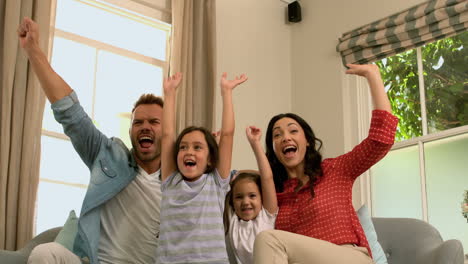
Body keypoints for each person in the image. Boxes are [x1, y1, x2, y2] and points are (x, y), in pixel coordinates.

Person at [18, 17, 164, 264]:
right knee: (45, 252)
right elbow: (70, 113)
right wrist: (34, 51)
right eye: (138, 122)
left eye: (154, 122)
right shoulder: (108, 156)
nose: (145, 127)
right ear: (130, 131)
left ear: (168, 132)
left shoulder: (180, 181)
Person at [253, 64, 399, 264]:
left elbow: (380, 140)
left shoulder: (336, 170)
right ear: (274, 150)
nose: (285, 137)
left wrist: (372, 76)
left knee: (267, 240)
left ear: (308, 141)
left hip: (350, 257)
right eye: (277, 135)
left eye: (293, 131)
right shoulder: (276, 195)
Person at [158, 72, 247, 263]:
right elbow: (167, 135)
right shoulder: (170, 181)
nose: (189, 151)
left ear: (209, 159)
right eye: (183, 147)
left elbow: (228, 135)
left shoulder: (216, 183)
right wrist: (170, 93)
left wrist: (226, 93)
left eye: (197, 147)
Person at [223, 126, 278, 264]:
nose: (246, 202)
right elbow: (221, 180)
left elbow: (267, 178)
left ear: (262, 198)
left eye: (252, 196)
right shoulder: (231, 219)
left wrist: (255, 143)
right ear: (232, 202)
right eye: (239, 197)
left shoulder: (266, 217)